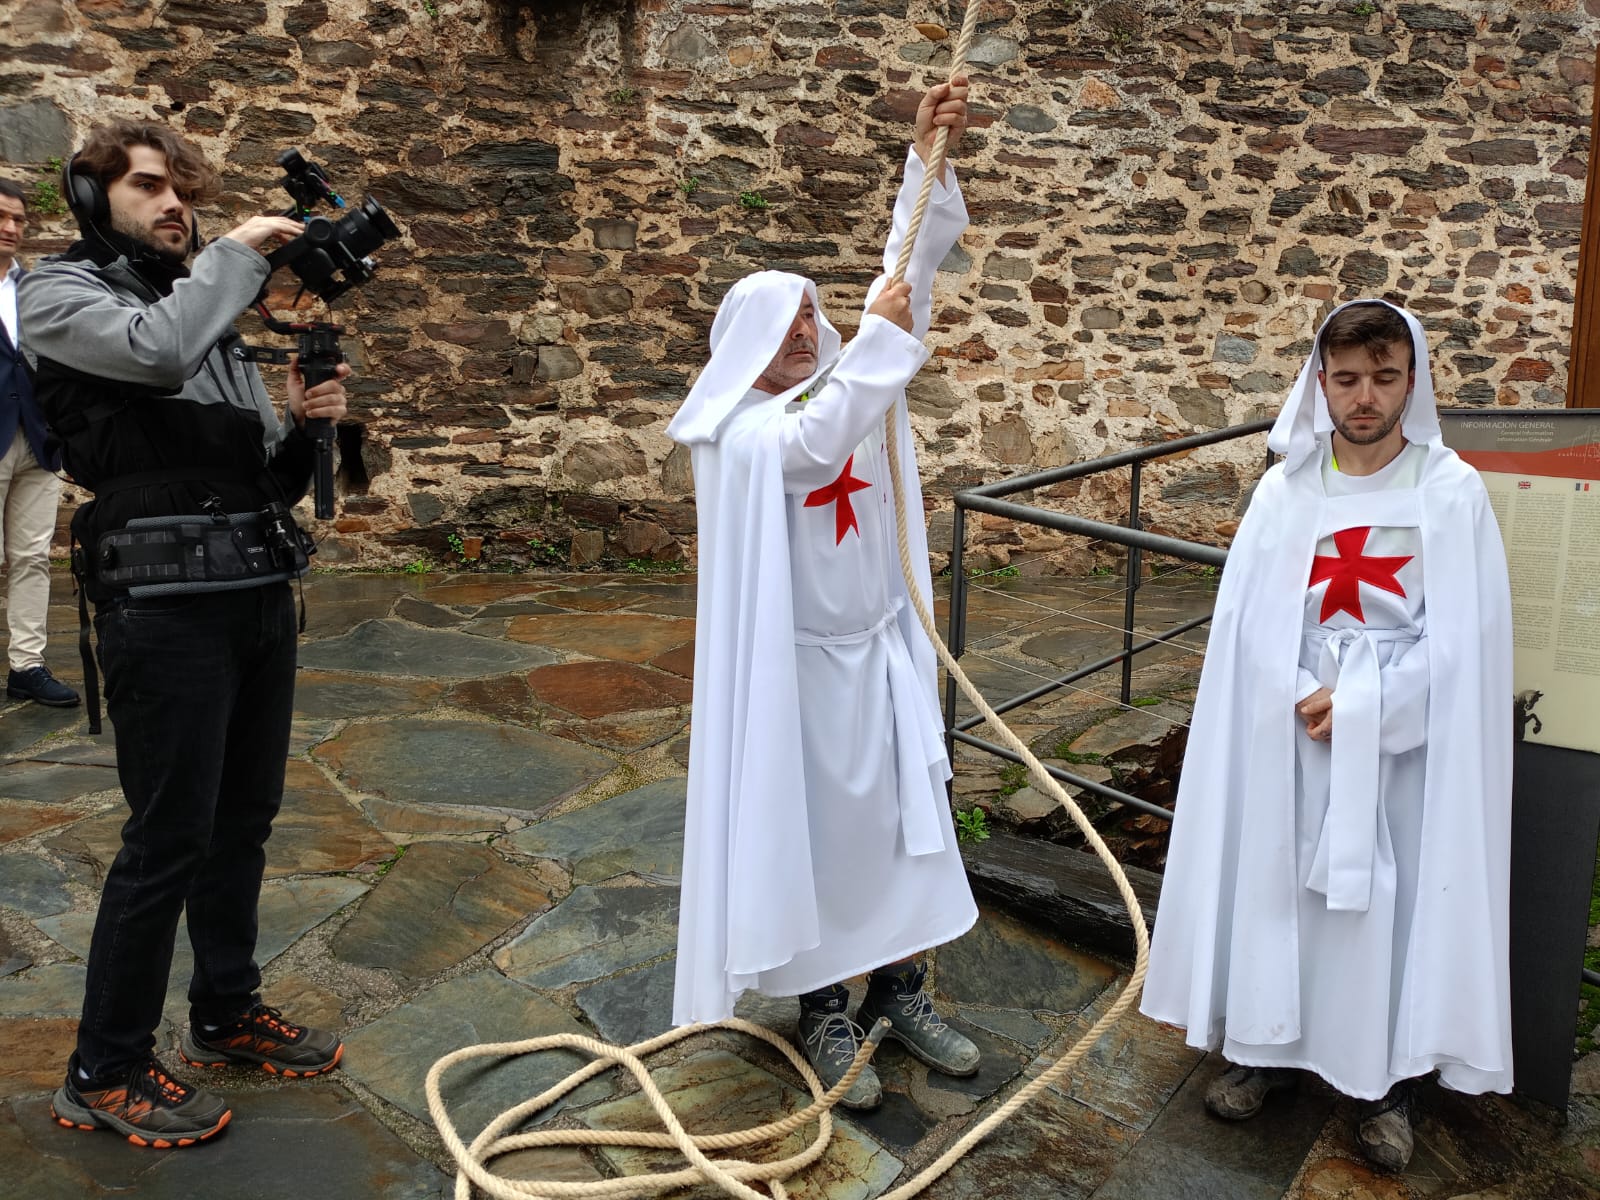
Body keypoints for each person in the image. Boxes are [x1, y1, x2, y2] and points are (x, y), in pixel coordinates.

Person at [19, 119, 351, 1148]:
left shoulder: (199, 306)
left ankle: (224, 1009)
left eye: (185, 192)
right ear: (92, 200)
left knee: (241, 820)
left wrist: (303, 426)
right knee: (166, 839)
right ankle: (104, 1067)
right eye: (150, 187)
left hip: (254, 587)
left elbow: (259, 476)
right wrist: (238, 258)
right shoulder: (58, 295)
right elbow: (152, 360)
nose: (175, 204)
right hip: (160, 610)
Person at [1140, 300, 1513, 1171]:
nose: (1364, 397)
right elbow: (1245, 625)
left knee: (1387, 901)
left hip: (1399, 751)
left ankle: (1383, 1084)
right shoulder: (1288, 489)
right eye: (1345, 379)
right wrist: (1304, 689)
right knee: (1281, 885)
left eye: (1384, 377)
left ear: (1411, 380)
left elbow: (1467, 640)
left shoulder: (1447, 490)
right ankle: (1262, 1048)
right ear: (1320, 382)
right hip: (1293, 730)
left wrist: (1371, 703)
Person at [667, 80, 982, 1110]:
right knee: (815, 842)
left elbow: (904, 280)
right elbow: (812, 442)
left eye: (812, 312)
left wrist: (922, 152)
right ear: (744, 349)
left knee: (899, 829)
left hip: (879, 651)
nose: (807, 329)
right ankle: (824, 1012)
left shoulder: (859, 390)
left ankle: (899, 992)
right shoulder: (739, 436)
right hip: (795, 674)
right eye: (788, 320)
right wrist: (878, 340)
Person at [0, 177, 79, 707]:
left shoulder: (32, 291)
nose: (10, 228)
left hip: (37, 440)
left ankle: (26, 665)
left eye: (18, 220)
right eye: (0, 218)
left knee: (31, 557)